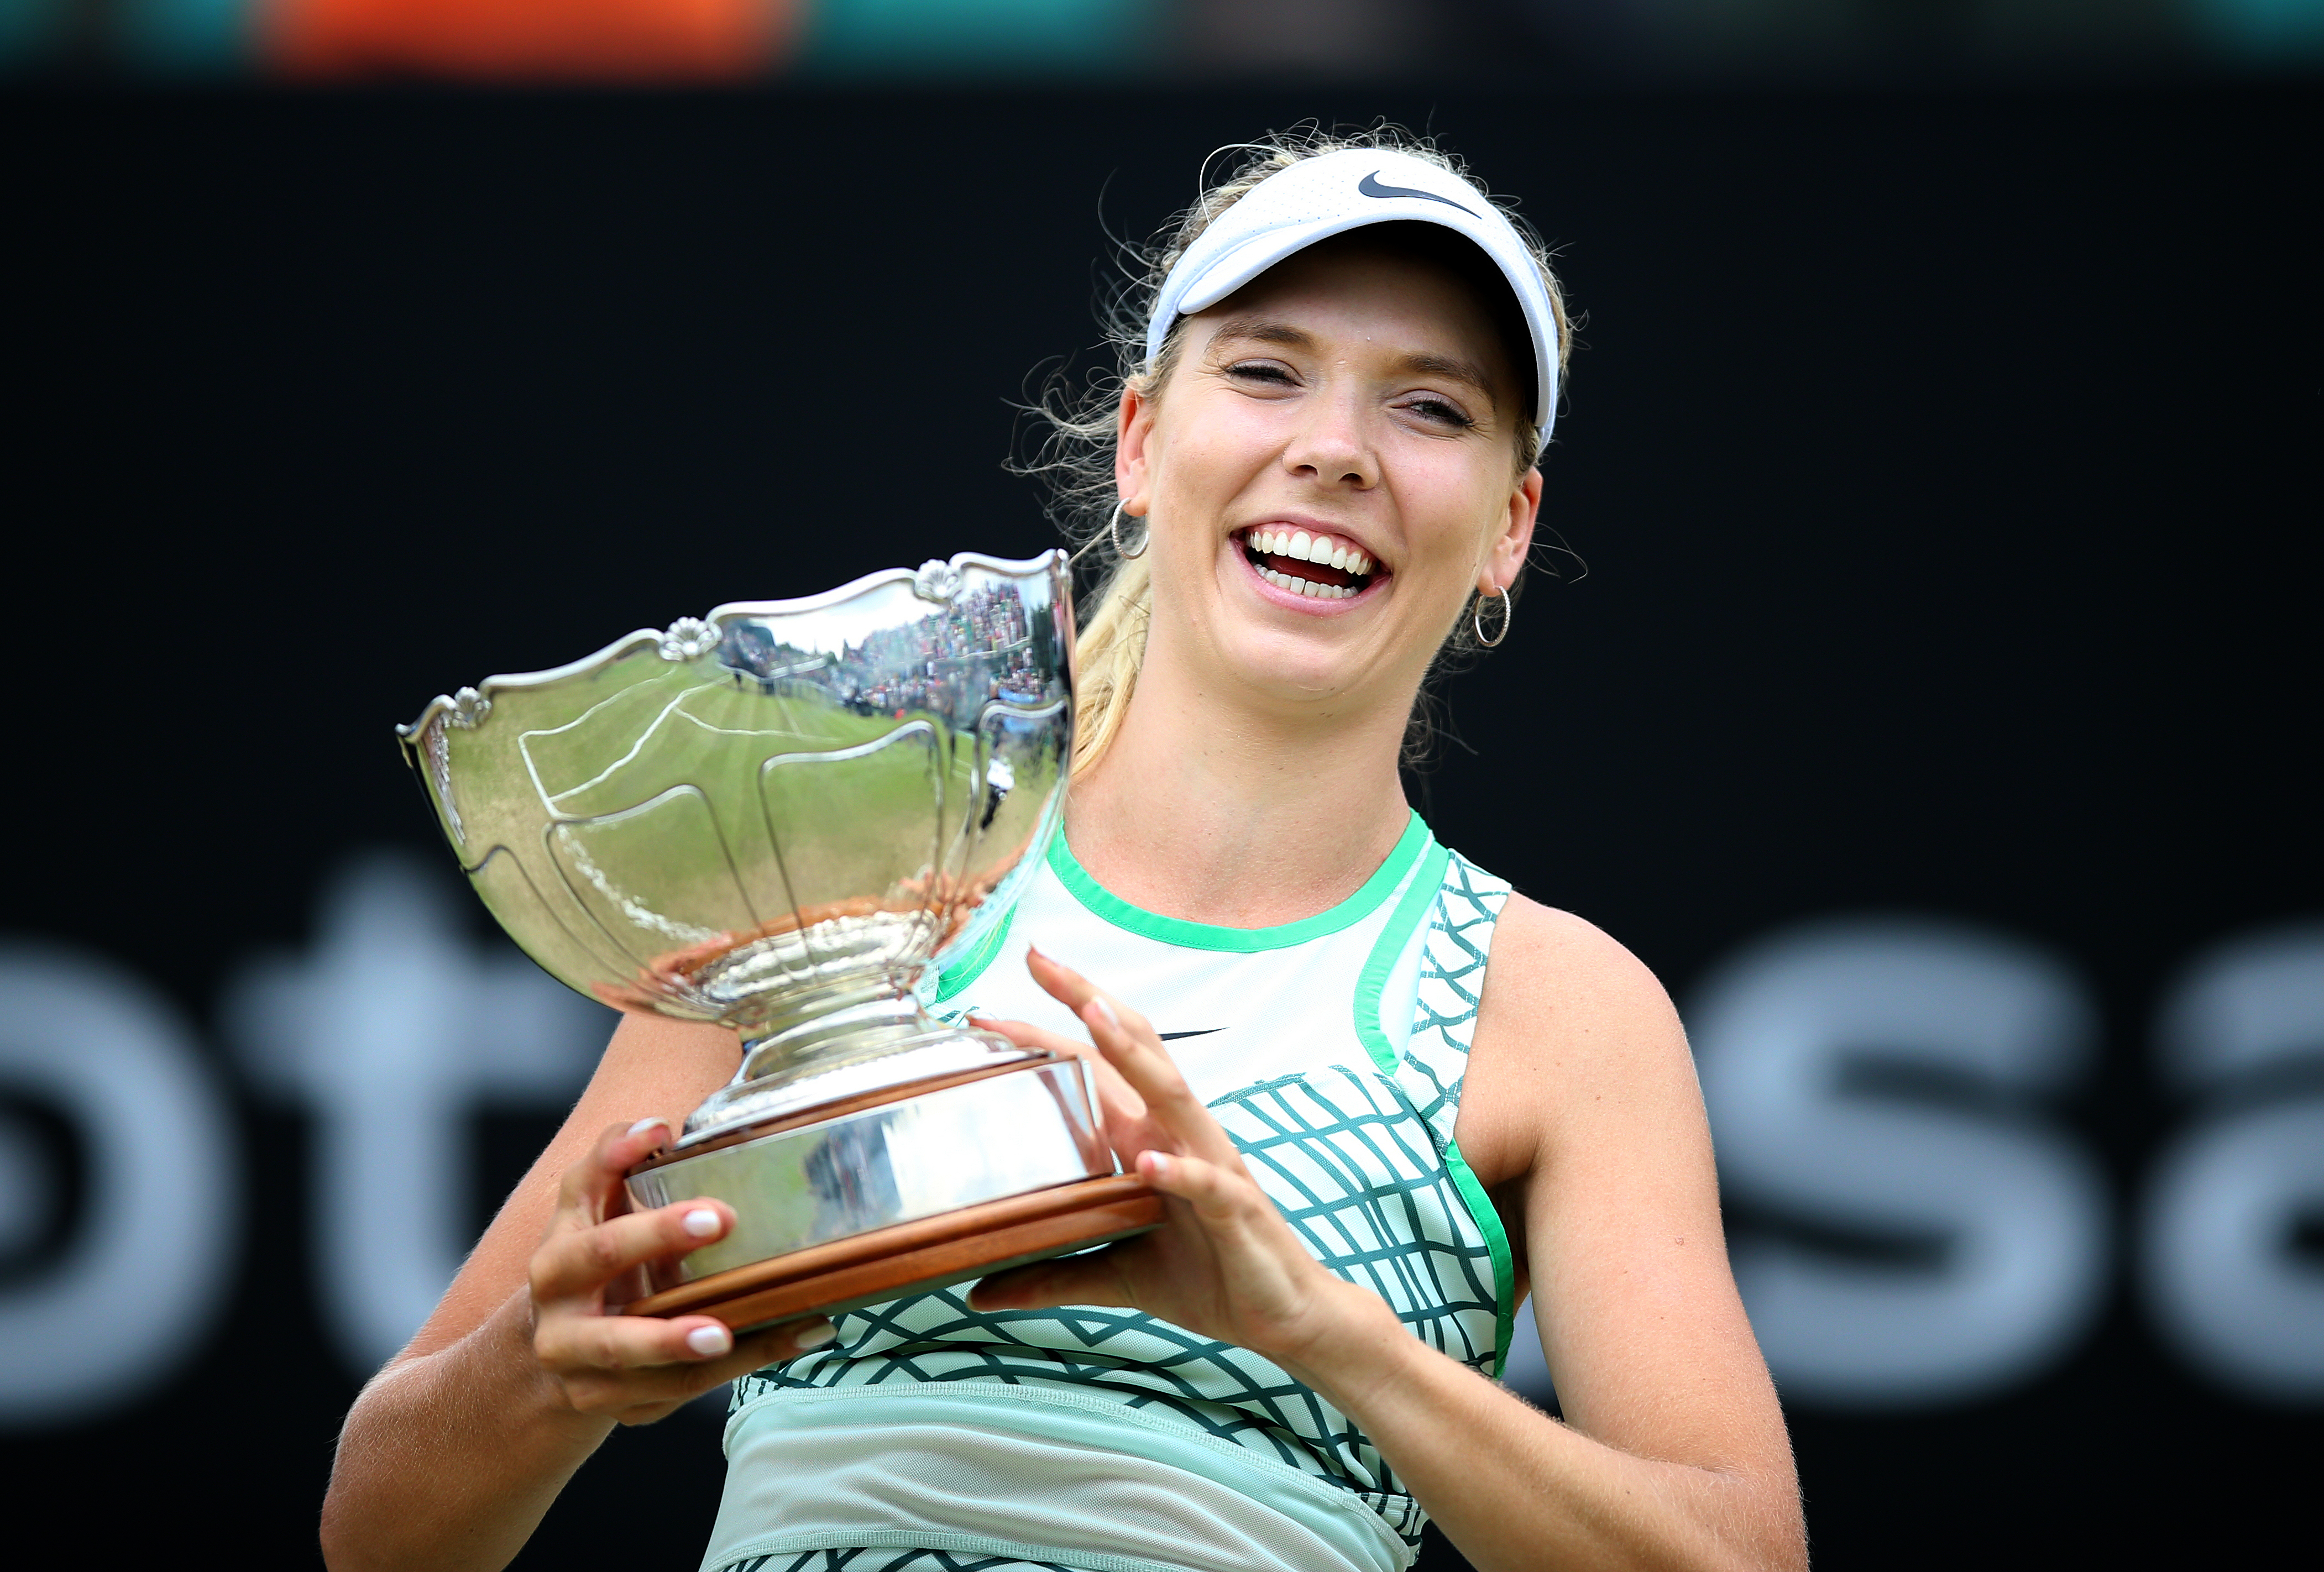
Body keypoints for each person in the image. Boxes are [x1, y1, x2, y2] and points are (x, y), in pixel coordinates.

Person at [321, 127, 1808, 1572]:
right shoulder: (828, 885)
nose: (1334, 450)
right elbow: (378, 1529)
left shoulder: (1563, 1014)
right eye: (1267, 371)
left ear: (1508, 527)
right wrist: (544, 1369)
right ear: (1142, 442)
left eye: (1429, 407)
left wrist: (1311, 1325)